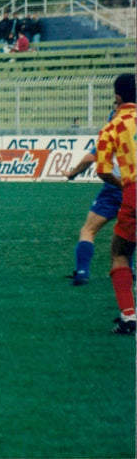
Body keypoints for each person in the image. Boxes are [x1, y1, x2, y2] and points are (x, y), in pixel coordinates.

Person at [62, 107, 122, 286]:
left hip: (115, 187)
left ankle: (82, 273)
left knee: (88, 230)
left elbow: (90, 158)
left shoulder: (113, 131)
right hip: (133, 186)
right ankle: (129, 271)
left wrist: (72, 174)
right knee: (126, 234)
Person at [95, 73, 136, 334]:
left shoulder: (112, 126)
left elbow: (102, 169)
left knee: (120, 253)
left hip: (133, 192)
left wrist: (122, 184)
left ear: (117, 97)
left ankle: (129, 316)